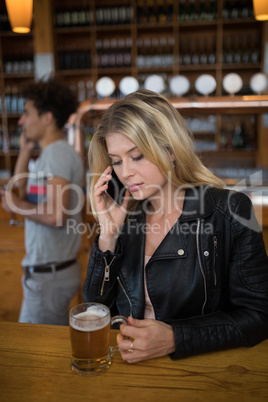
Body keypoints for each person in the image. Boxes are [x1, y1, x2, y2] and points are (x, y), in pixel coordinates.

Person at [83, 89, 268, 363]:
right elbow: (96, 310)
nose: (126, 172)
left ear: (170, 151)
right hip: (128, 364)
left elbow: (259, 315)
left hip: (200, 370)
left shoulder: (229, 211)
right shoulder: (123, 215)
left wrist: (175, 337)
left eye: (137, 156)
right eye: (117, 161)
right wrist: (107, 237)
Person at [0, 77, 84, 325]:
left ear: (47, 118)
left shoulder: (55, 154)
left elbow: (56, 216)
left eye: (27, 113)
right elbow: (20, 193)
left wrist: (14, 205)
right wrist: (25, 151)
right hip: (52, 272)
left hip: (49, 276)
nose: (22, 121)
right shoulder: (50, 154)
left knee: (34, 354)